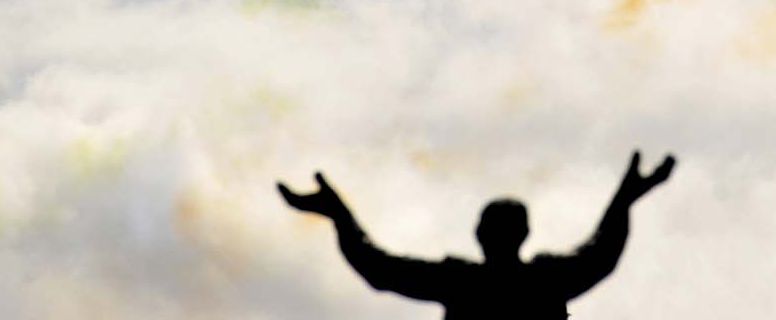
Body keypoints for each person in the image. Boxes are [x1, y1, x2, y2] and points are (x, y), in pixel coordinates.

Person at [278, 150, 675, 318]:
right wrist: (624, 200)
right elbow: (600, 253)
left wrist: (339, 215)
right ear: (524, 233)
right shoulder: (546, 280)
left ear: (480, 234)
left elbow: (377, 269)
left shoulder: (463, 282)